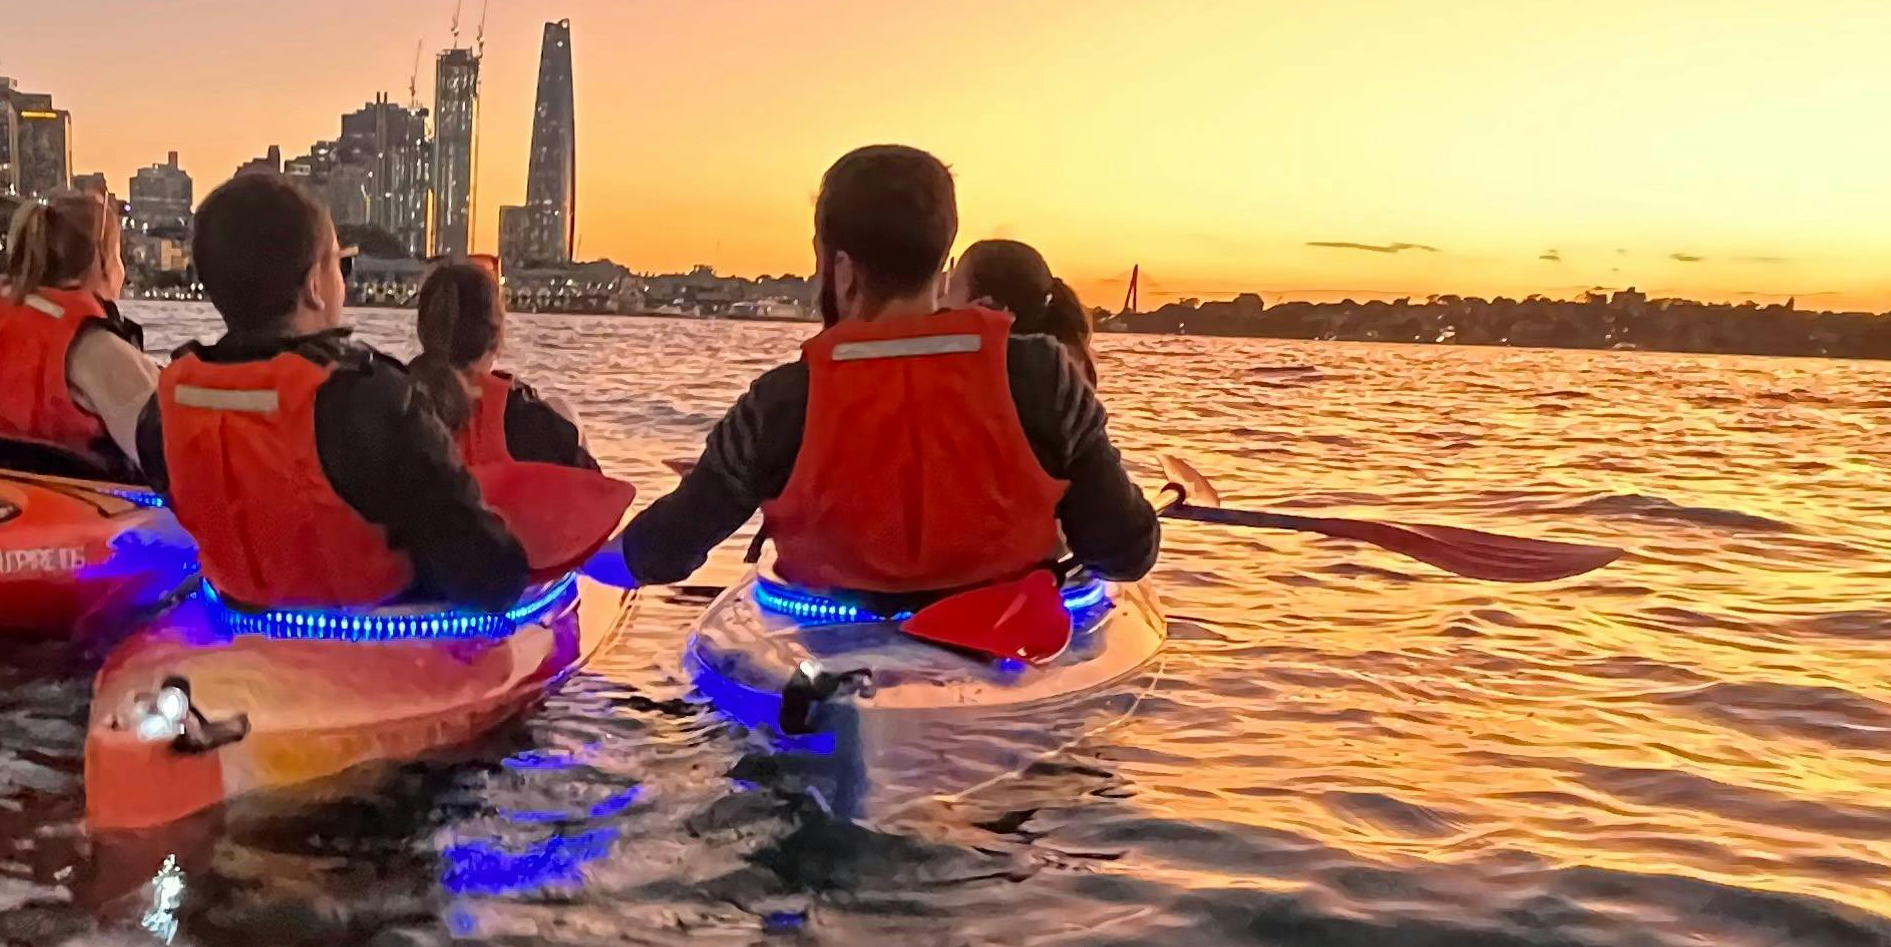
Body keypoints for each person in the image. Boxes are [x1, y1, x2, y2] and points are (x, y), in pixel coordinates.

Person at [613, 143, 1160, 595]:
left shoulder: (779, 402)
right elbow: (1124, 553)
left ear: (842, 269)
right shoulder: (1045, 375)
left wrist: (570, 563)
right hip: (1010, 651)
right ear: (942, 264)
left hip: (827, 657)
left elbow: (662, 554)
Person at [135, 171, 530, 609]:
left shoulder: (162, 411)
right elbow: (490, 577)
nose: (342, 279)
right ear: (314, 289)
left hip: (234, 632)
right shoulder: (372, 402)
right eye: (338, 263)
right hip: (378, 646)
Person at [0, 191, 156, 471]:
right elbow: (163, 455)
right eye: (119, 255)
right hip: (79, 507)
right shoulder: (94, 348)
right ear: (104, 264)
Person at [403, 258, 601, 473]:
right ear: (496, 339)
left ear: (423, 331)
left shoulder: (391, 400)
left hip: (420, 502)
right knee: (564, 410)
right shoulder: (525, 419)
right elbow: (595, 489)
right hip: (491, 503)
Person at [952, 235, 1100, 383]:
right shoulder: (1059, 384)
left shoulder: (976, 383)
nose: (940, 298)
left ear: (985, 307)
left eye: (952, 286)